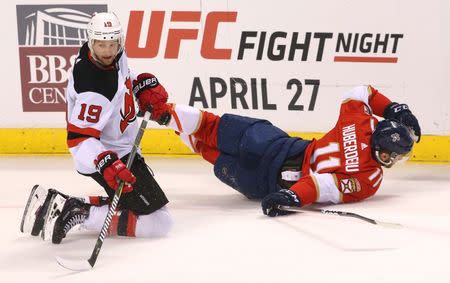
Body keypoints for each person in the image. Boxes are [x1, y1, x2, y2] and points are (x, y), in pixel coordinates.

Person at [136, 85, 420, 216]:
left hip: (273, 141)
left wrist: (395, 108)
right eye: (391, 155)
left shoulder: (364, 121)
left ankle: (164, 113)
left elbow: (360, 91)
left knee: (211, 126)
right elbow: (323, 185)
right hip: (266, 180)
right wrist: (293, 197)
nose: (392, 160)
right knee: (206, 148)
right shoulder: (370, 179)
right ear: (383, 147)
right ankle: (169, 120)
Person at [20, 12, 173, 244]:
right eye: (102, 45)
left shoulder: (113, 55)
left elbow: (124, 80)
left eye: (112, 44)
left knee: (138, 205)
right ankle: (78, 213)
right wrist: (106, 162)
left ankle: (62, 204)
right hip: (106, 156)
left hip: (120, 148)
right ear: (92, 42)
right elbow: (78, 139)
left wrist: (139, 87)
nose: (108, 51)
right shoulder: (94, 86)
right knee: (159, 222)